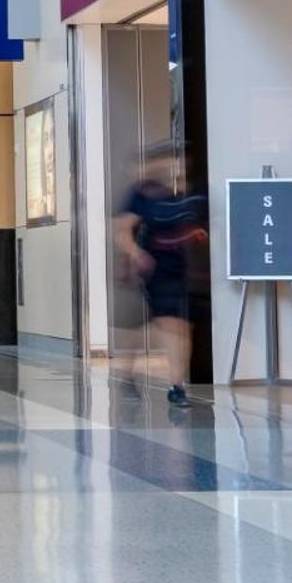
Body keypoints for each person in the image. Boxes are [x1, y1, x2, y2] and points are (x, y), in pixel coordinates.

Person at [113, 142, 207, 407]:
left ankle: (176, 384)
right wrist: (136, 255)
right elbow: (122, 229)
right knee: (167, 324)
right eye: (169, 161)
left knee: (179, 326)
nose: (173, 166)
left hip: (189, 268)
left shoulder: (193, 193)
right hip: (154, 267)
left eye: (178, 161)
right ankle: (160, 381)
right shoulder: (143, 194)